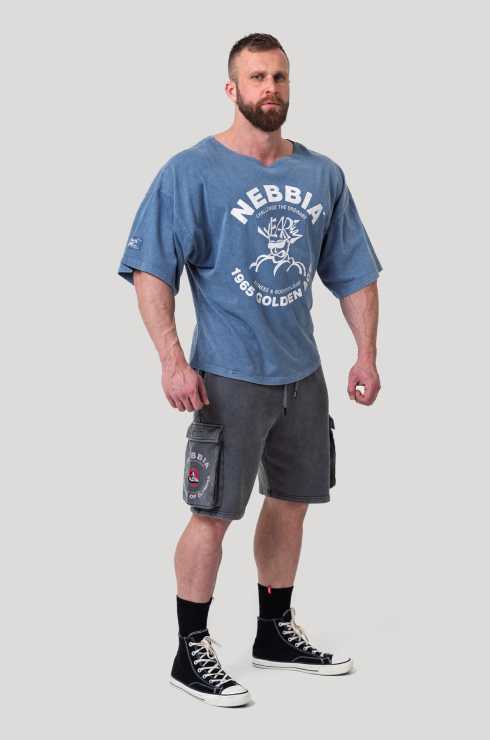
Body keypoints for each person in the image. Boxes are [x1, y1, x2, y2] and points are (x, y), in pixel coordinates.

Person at [117, 32, 383, 708]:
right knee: (212, 513)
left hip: (302, 374)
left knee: (292, 502)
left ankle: (273, 632)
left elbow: (353, 270)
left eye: (280, 77)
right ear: (232, 89)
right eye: (258, 77)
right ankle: (190, 649)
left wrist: (366, 354)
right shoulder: (191, 171)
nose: (271, 89)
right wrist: (172, 361)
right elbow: (151, 271)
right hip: (228, 374)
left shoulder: (321, 174)